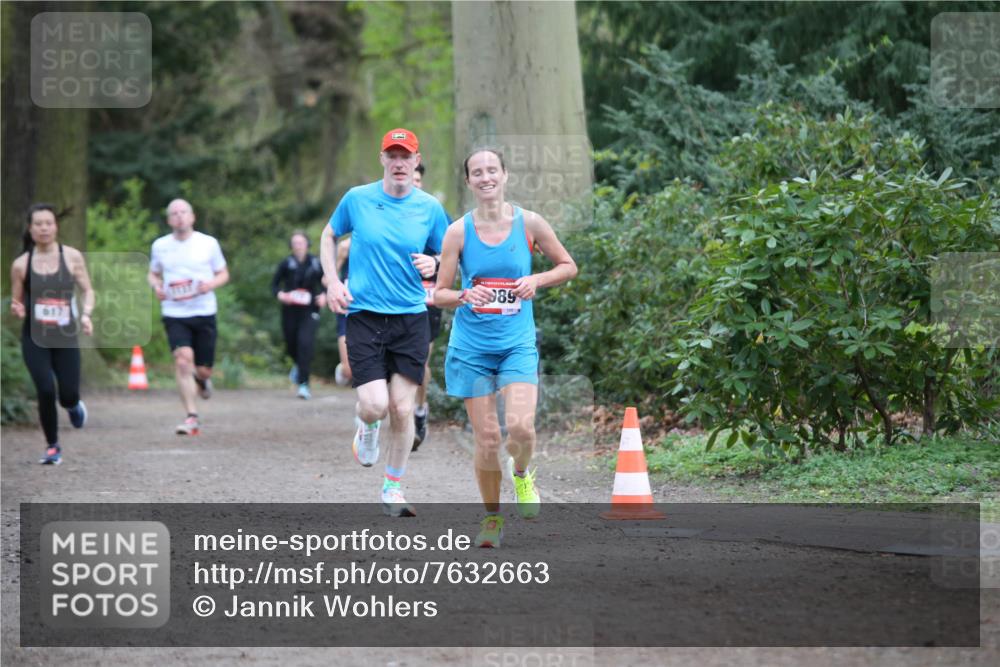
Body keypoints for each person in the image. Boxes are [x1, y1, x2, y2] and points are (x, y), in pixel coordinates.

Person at [434, 148, 577, 547]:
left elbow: (568, 265)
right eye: (476, 172)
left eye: (491, 170)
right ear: (468, 181)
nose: (485, 177)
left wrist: (538, 281)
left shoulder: (529, 223)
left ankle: (522, 474)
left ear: (505, 175)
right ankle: (492, 519)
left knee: (520, 429)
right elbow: (439, 293)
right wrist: (464, 295)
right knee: (488, 440)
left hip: (515, 343)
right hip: (471, 348)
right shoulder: (458, 232)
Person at [320, 128, 450, 517]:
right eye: (391, 155)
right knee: (375, 406)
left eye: (405, 156)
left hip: (411, 318)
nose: (398, 162)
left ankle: (393, 488)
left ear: (415, 161)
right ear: (382, 160)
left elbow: (450, 254)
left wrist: (438, 263)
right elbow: (328, 234)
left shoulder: (429, 208)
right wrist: (331, 280)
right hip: (365, 316)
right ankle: (367, 426)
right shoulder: (357, 199)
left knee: (403, 408)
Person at [9, 204, 94, 465]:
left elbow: (88, 291)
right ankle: (52, 446)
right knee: (45, 389)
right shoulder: (21, 264)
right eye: (38, 224)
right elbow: (17, 300)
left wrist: (86, 314)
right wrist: (17, 307)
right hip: (34, 338)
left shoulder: (72, 257)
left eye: (48, 223)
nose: (44, 228)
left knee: (67, 393)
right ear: (30, 228)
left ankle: (73, 405)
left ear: (56, 226)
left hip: (65, 337)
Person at [148, 199, 229, 435]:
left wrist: (210, 284)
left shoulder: (208, 243)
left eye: (183, 212)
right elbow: (153, 275)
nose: (179, 216)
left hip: (203, 310)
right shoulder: (160, 246)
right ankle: (191, 416)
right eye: (174, 213)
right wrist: (157, 287)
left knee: (203, 370)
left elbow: (224, 273)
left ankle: (202, 380)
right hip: (174, 313)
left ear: (192, 217)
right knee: (183, 359)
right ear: (168, 220)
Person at [411, 162, 445, 451]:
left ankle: (419, 410)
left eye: (417, 178)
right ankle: (403, 414)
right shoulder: (386, 209)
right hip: (393, 298)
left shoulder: (435, 211)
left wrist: (435, 261)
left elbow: (455, 250)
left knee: (420, 361)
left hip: (428, 298)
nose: (413, 183)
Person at [272, 231, 327, 399]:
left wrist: (325, 295)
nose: (298, 246)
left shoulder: (316, 263)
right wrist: (281, 295)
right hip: (290, 310)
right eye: (295, 243)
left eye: (301, 242)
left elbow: (327, 282)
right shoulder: (286, 263)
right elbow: (274, 285)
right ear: (291, 245)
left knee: (305, 344)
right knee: (291, 344)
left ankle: (304, 384)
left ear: (307, 244)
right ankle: (297, 366)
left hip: (309, 310)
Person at [333, 235, 352, 387]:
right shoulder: (345, 246)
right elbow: (327, 279)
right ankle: (343, 368)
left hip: (375, 307)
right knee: (348, 371)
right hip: (348, 307)